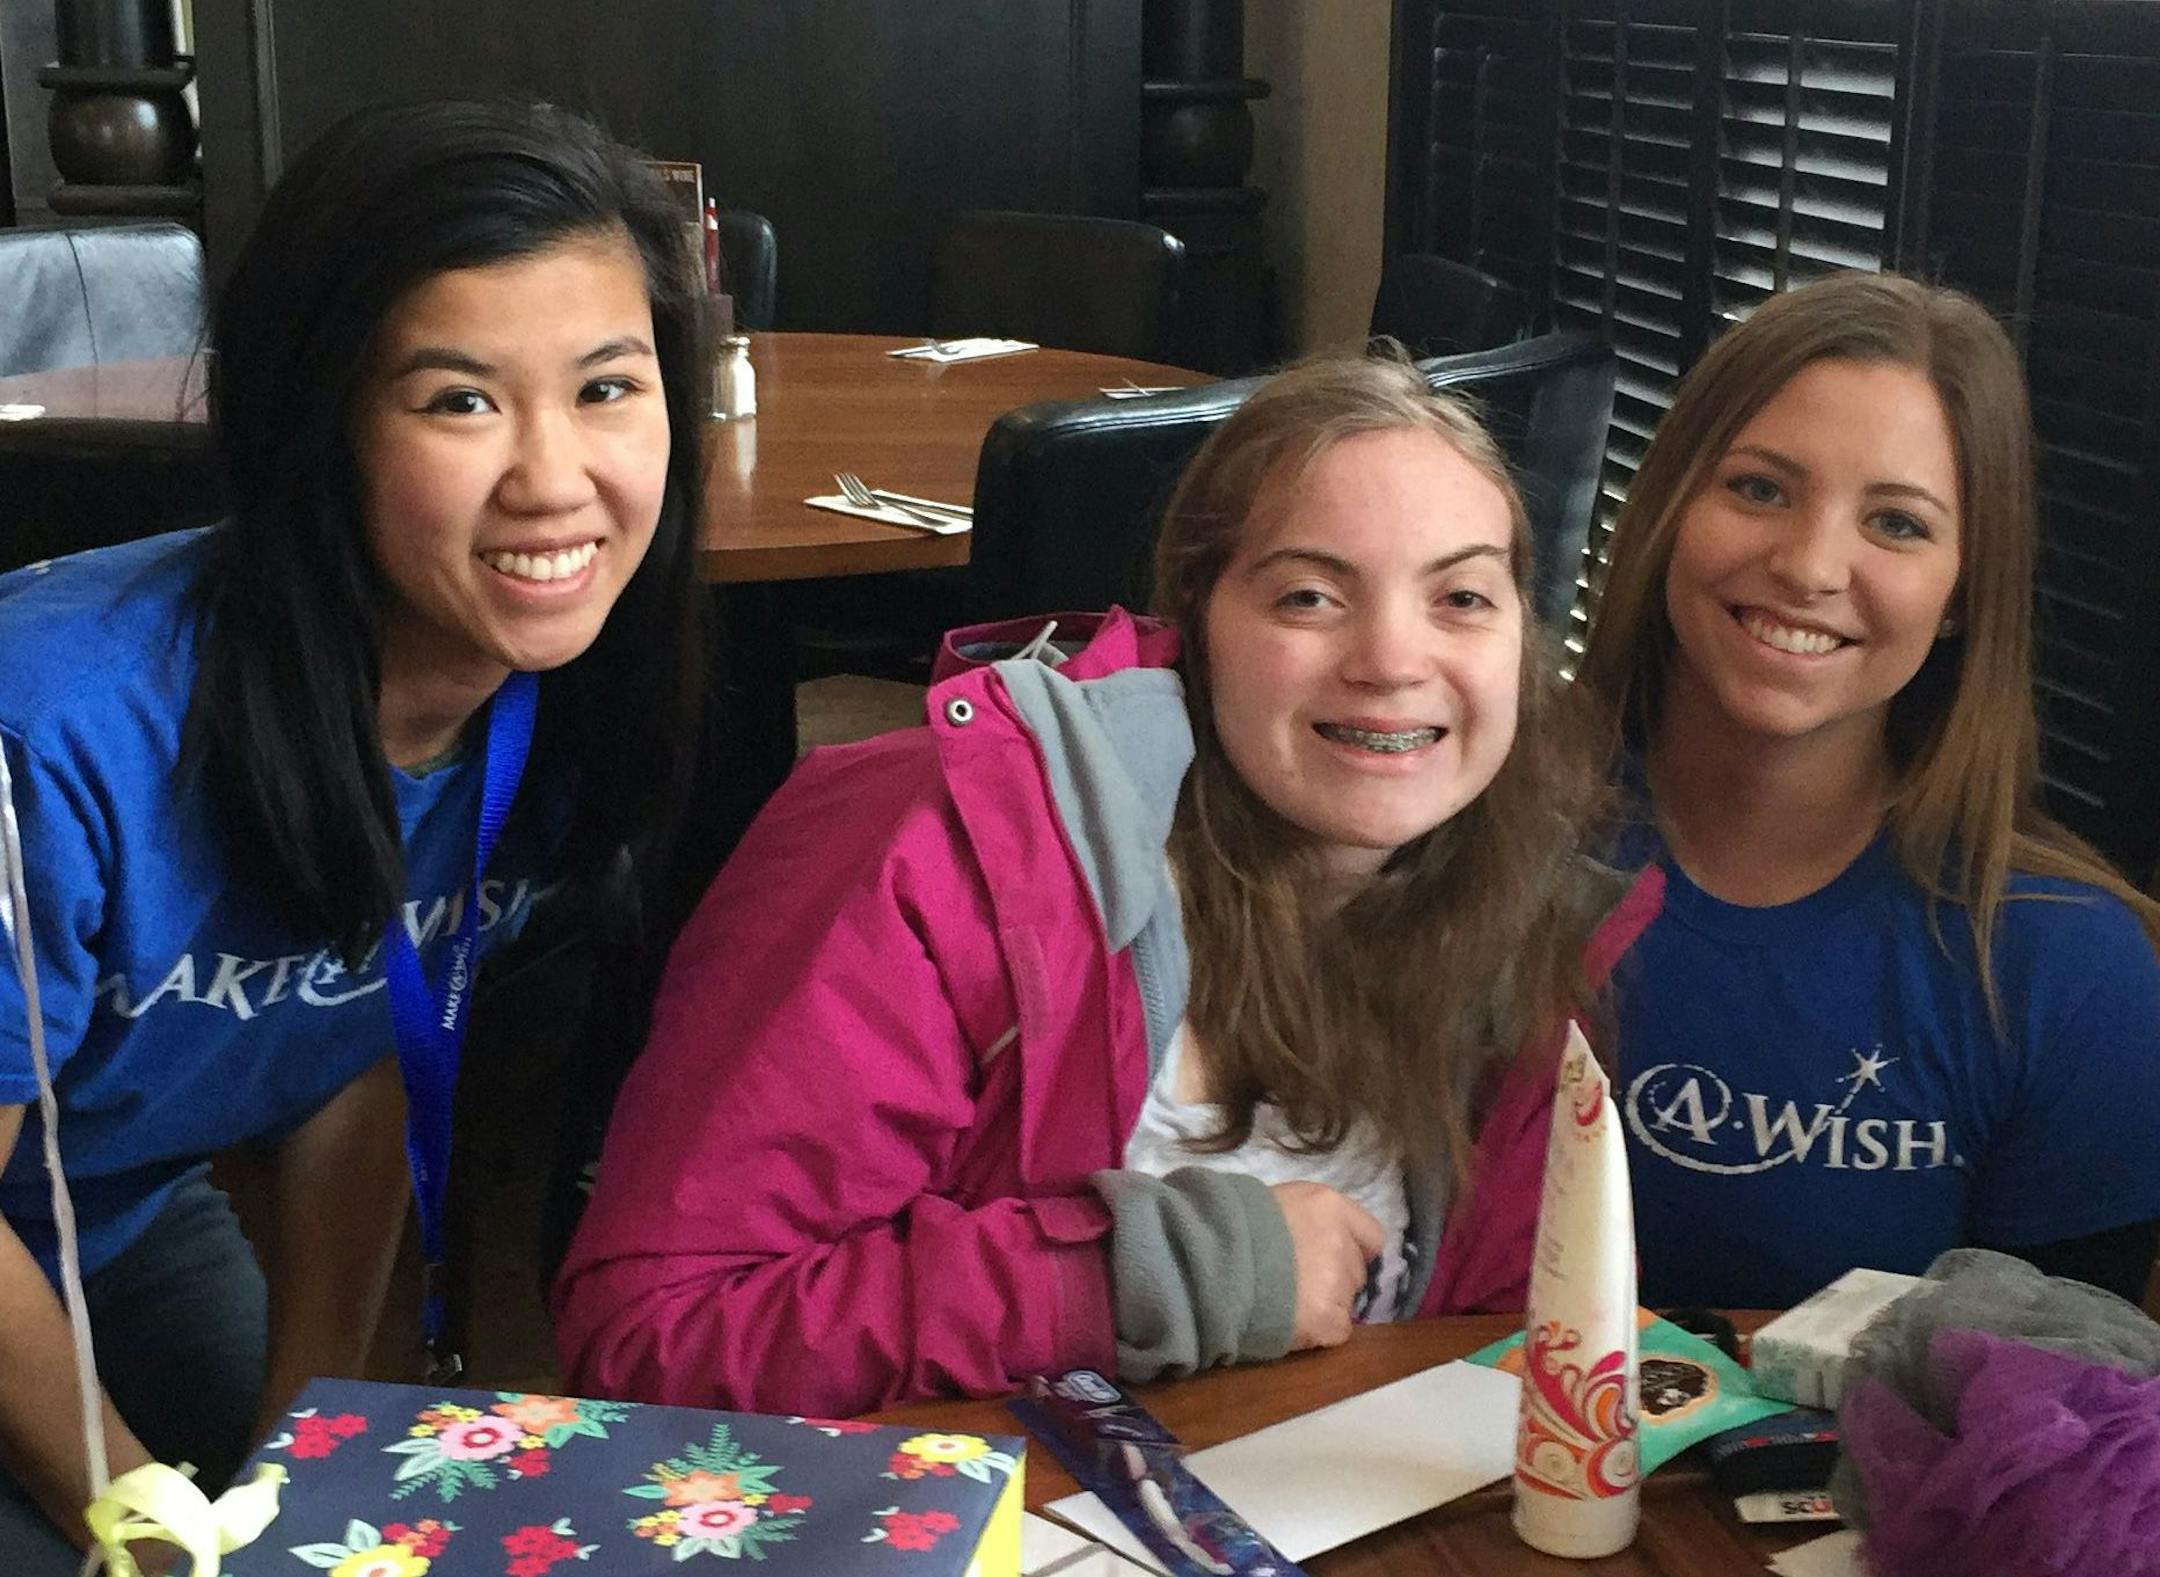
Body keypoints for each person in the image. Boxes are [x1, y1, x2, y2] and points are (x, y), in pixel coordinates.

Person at [554, 353, 1659, 1417]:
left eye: (1462, 597)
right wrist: (1145, 1274)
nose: (1392, 658)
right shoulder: (943, 847)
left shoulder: (1535, 931)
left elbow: (1490, 1360)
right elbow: (656, 1336)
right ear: (1198, 624)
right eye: (1311, 597)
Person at [0, 100, 707, 1568]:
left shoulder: (554, 699)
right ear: (316, 417)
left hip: (109, 1220)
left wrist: (306, 1447)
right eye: (460, 400)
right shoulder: (52, 729)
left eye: (608, 387)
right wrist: (124, 1503)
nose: (555, 480)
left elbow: (368, 1041)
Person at [1577, 271, 2160, 1310]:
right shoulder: (1465, 842)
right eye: (1759, 487)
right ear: (1669, 506)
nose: (1809, 564)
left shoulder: (2066, 967)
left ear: (1960, 596)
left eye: (1896, 523)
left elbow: (2068, 1412)